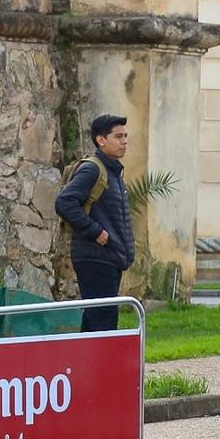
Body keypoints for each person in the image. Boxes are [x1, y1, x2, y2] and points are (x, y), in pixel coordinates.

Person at [53, 114, 134, 333]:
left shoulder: (113, 171)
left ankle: (85, 367)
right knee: (103, 320)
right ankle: (101, 368)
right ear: (101, 140)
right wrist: (95, 231)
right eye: (118, 137)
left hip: (108, 258)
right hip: (95, 257)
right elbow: (65, 202)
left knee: (94, 320)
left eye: (125, 136)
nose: (125, 141)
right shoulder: (93, 169)